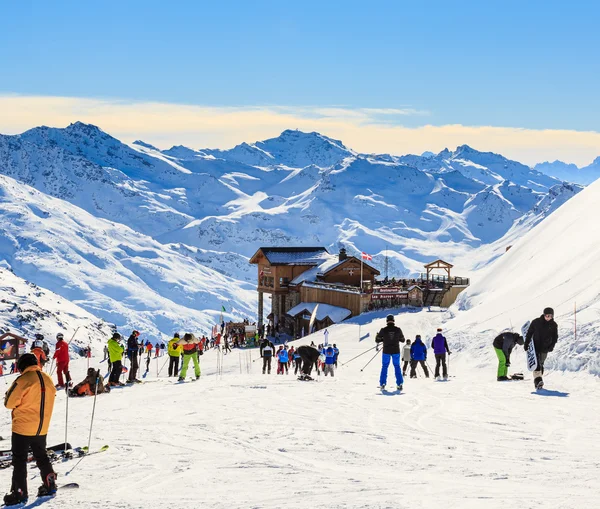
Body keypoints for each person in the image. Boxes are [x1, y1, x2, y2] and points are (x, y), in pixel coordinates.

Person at [3, 353, 57, 505]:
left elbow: (9, 403)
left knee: (19, 460)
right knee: (42, 456)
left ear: (22, 366)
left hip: (23, 427)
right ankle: (50, 484)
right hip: (42, 427)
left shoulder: (23, 380)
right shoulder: (47, 379)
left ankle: (19, 493)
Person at [525, 307, 558, 389]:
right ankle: (538, 380)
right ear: (544, 315)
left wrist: (552, 346)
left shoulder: (553, 325)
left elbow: (555, 337)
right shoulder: (536, 322)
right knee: (537, 364)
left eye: (550, 316)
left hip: (545, 347)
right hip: (535, 346)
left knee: (541, 363)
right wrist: (526, 343)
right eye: (547, 316)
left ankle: (539, 380)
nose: (548, 318)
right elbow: (529, 333)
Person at [375, 314, 405, 390]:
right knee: (397, 366)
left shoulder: (383, 330)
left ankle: (382, 383)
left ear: (387, 321)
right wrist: (397, 338)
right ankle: (399, 383)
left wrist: (383, 339)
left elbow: (377, 340)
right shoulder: (398, 329)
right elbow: (403, 340)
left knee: (385, 366)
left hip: (386, 351)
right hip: (395, 351)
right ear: (393, 320)